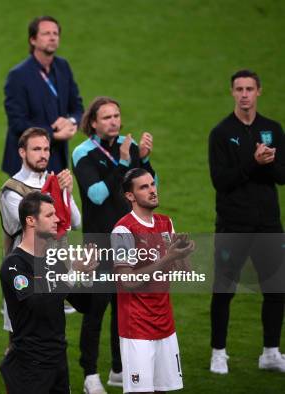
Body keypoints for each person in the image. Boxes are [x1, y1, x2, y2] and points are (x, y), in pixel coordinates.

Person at [71, 96, 155, 393]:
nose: (114, 121)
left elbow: (149, 189)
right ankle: (89, 374)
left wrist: (142, 158)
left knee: (126, 308)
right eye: (106, 117)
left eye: (117, 115)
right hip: (99, 244)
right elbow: (95, 194)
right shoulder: (83, 152)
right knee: (97, 308)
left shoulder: (129, 146)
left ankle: (119, 368)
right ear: (93, 122)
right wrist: (121, 162)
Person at [208, 69, 285, 374]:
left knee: (277, 289)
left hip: (268, 224)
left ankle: (270, 352)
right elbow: (221, 181)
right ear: (232, 93)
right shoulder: (221, 133)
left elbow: (282, 175)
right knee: (224, 289)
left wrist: (263, 164)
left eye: (249, 89)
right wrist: (254, 162)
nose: (244, 94)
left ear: (258, 92)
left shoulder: (273, 129)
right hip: (233, 224)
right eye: (238, 89)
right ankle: (218, 352)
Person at [0, 191, 97, 394]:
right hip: (30, 365)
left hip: (58, 360)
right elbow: (36, 303)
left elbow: (85, 305)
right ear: (30, 220)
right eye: (49, 215)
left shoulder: (54, 260)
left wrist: (86, 275)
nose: (58, 219)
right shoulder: (14, 265)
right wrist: (73, 273)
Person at [111, 168, 195, 393]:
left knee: (162, 389)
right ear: (130, 196)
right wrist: (168, 257)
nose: (152, 190)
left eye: (152, 184)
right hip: (136, 327)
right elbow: (126, 281)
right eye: (144, 187)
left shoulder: (165, 223)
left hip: (165, 324)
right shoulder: (123, 230)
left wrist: (182, 256)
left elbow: (183, 273)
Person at [0, 127, 82, 332]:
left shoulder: (54, 181)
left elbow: (76, 222)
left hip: (55, 272)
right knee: (19, 340)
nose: (43, 154)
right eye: (36, 149)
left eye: (46, 149)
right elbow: (33, 227)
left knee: (52, 337)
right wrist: (57, 195)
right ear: (22, 152)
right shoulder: (12, 191)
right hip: (25, 272)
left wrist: (67, 193)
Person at [2, 15, 83, 177]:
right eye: (46, 34)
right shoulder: (18, 76)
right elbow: (17, 123)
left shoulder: (63, 67)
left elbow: (78, 107)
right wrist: (53, 134)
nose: (52, 37)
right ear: (33, 40)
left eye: (55, 33)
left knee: (56, 202)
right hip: (26, 163)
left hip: (57, 158)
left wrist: (70, 121)